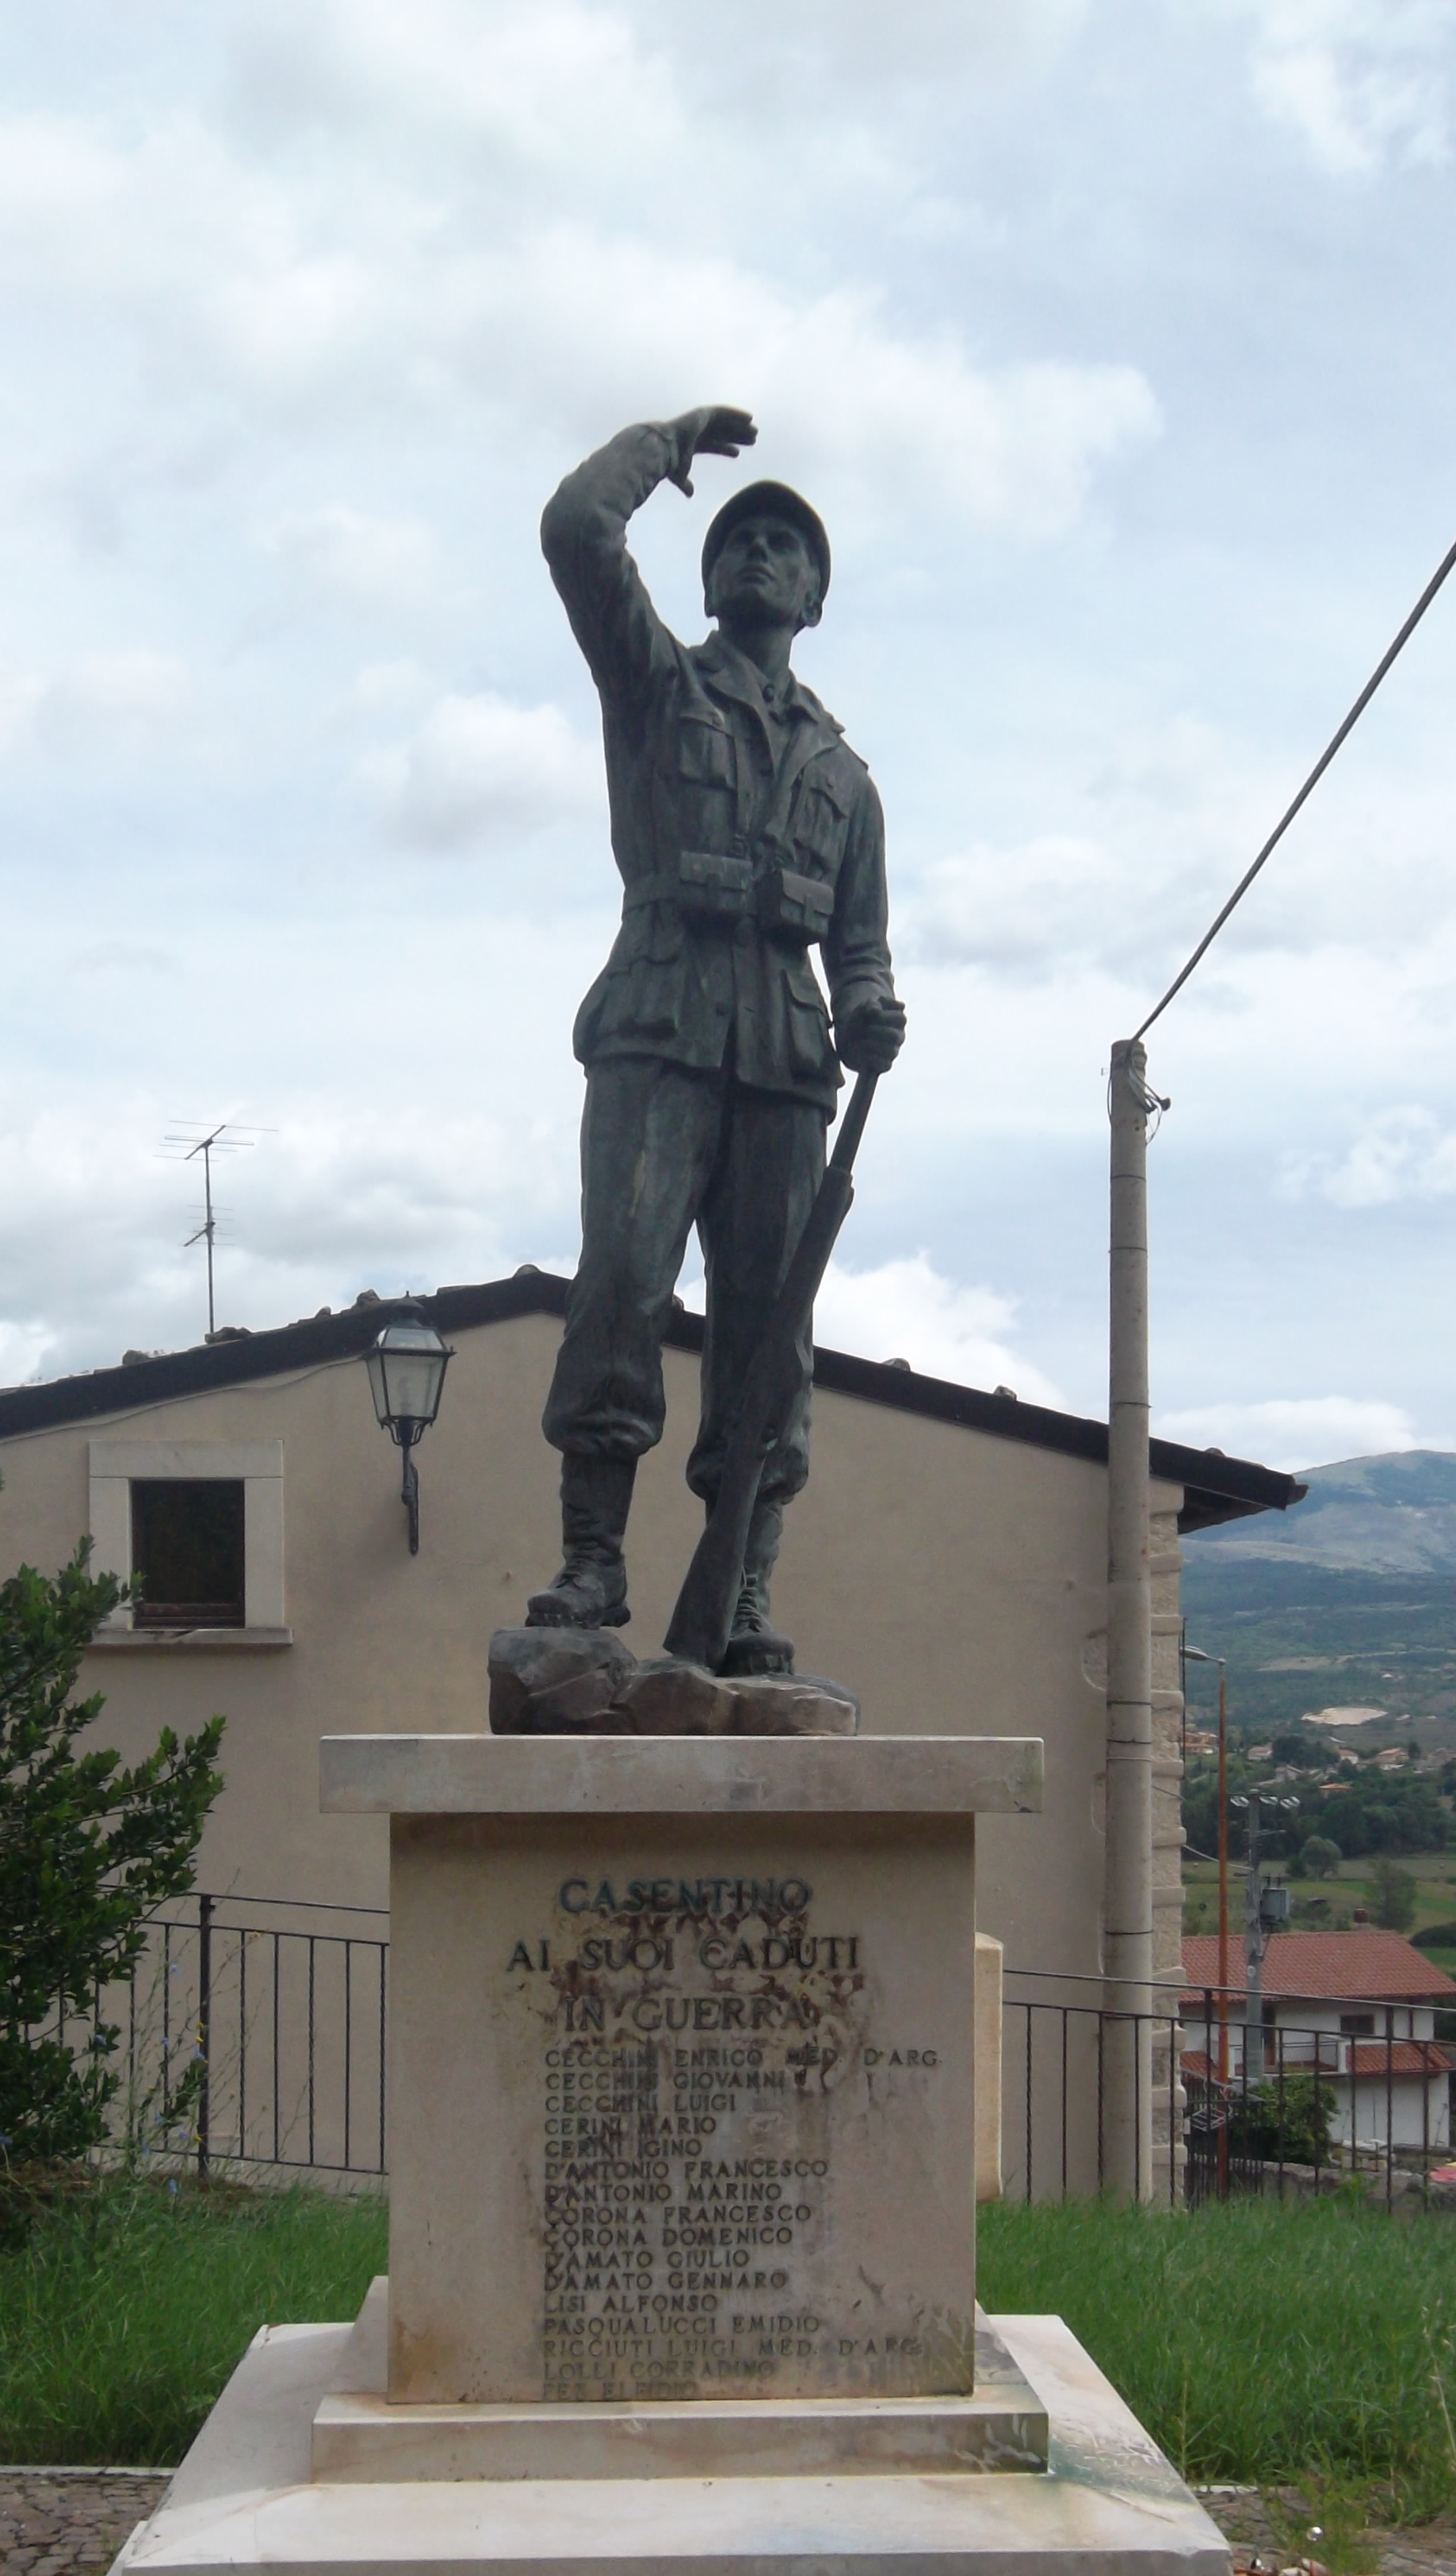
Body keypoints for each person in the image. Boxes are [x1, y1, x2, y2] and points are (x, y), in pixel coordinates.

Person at [527, 405, 905, 1673]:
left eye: (789, 546)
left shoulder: (847, 779)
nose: (761, 553)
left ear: (815, 596)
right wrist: (662, 448)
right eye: (741, 537)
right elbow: (578, 530)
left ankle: (740, 1590)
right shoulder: (655, 682)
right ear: (706, 570)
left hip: (785, 1065)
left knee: (768, 1337)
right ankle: (594, 1561)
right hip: (660, 1019)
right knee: (623, 1291)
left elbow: (859, 944)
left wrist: (868, 1009)